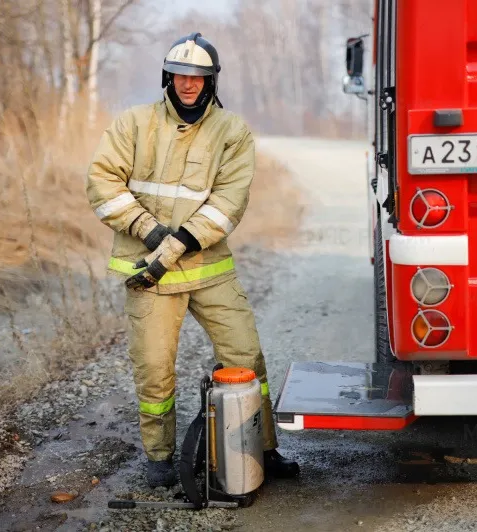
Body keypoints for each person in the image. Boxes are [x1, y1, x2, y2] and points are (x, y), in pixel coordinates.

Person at [85, 32, 300, 488]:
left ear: (211, 81)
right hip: (149, 275)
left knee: (246, 358)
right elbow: (103, 184)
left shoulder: (232, 131)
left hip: (208, 270)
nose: (188, 84)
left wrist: (181, 240)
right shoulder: (133, 123)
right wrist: (149, 230)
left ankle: (263, 449)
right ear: (168, 77)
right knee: (155, 369)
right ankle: (159, 457)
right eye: (180, 75)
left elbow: (229, 201)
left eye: (198, 77)